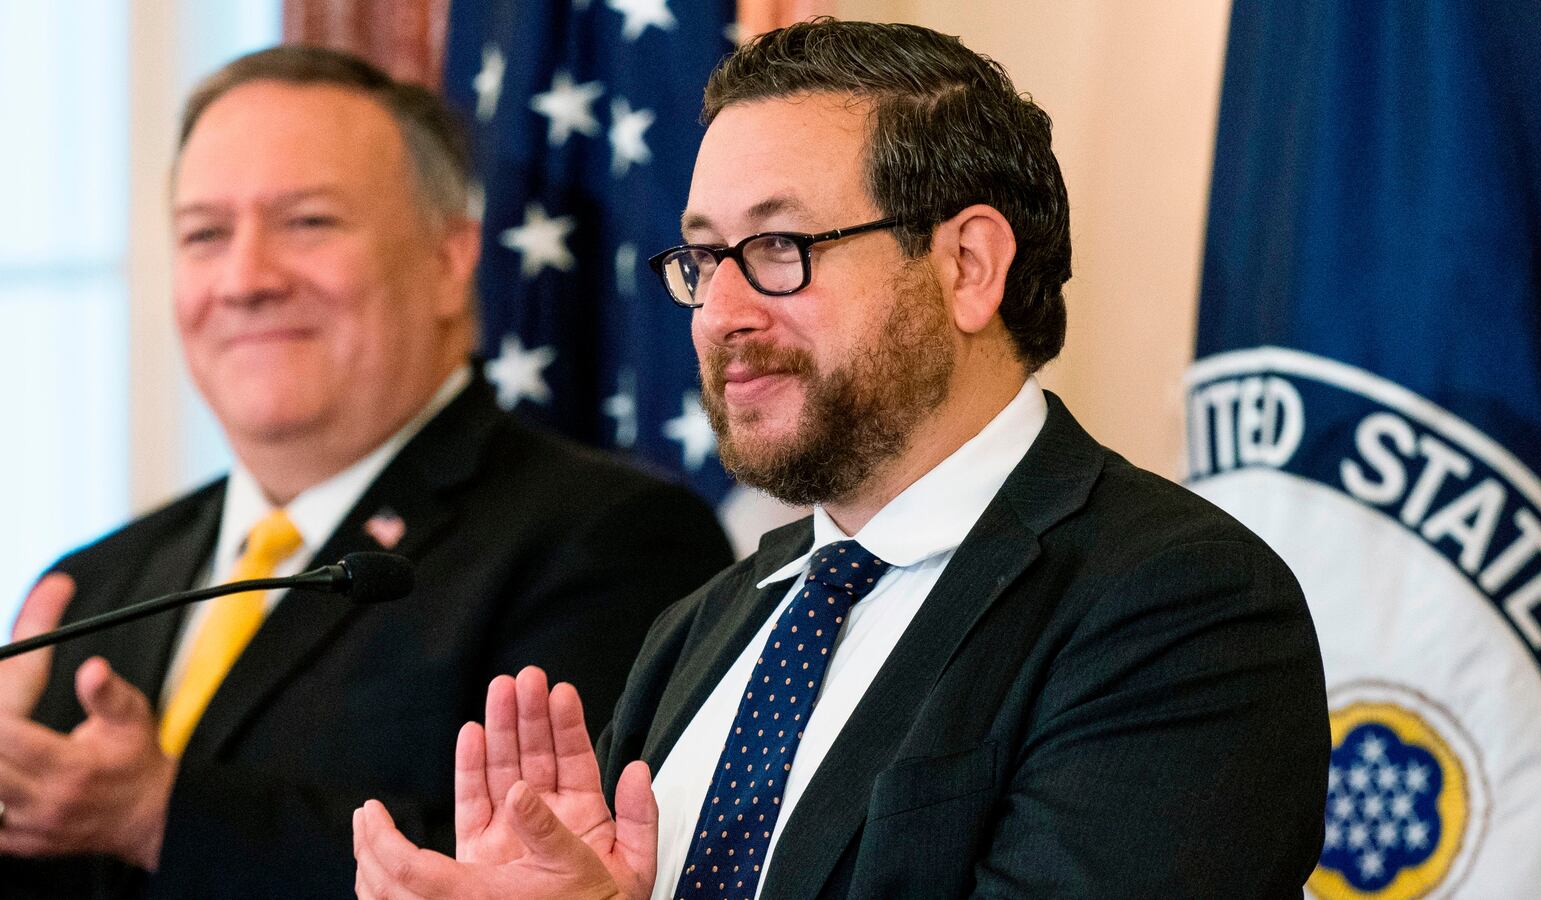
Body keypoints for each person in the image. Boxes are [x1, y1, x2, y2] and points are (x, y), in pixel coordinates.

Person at [352, 19, 1331, 898]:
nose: (722, 315)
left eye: (778, 246)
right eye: (701, 259)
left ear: (966, 266)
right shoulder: (705, 623)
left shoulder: (1180, 607)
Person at [0, 46, 732, 899]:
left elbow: (554, 871)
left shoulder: (613, 543)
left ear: (448, 259)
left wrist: (159, 814)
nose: (245, 280)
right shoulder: (94, 584)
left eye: (307, 222)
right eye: (204, 234)